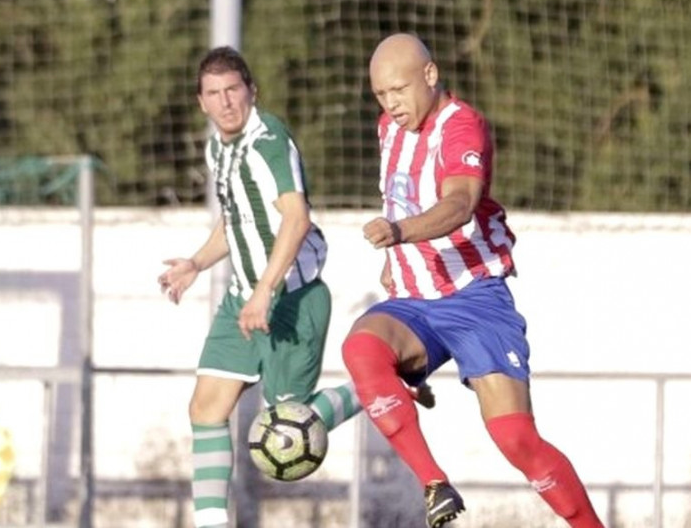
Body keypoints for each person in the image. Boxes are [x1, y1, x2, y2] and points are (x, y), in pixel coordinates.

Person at [341, 33, 604, 528]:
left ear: (431, 75)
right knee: (360, 348)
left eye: (398, 89)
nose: (391, 103)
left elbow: (459, 205)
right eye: (380, 94)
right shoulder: (387, 129)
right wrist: (394, 265)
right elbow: (401, 197)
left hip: (475, 296)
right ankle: (434, 484)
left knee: (515, 439)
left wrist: (398, 234)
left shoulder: (462, 127)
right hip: (415, 301)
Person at [158, 46, 362, 528]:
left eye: (234, 90)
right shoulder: (217, 148)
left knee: (285, 429)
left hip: (290, 297)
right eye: (214, 93)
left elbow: (296, 217)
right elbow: (236, 220)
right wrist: (196, 262)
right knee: (206, 408)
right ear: (201, 102)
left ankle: (379, 386)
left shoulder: (269, 141)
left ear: (252, 92)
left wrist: (266, 290)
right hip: (245, 297)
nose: (226, 102)